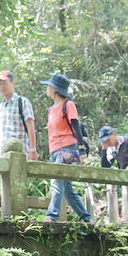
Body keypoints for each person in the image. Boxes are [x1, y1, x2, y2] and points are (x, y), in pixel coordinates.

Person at [40, 74, 91, 223]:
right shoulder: (51, 109)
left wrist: (81, 149)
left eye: (48, 86)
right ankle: (86, 218)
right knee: (66, 187)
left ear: (55, 89)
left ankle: (52, 216)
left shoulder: (68, 105)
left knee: (56, 181)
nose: (47, 88)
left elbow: (75, 126)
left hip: (69, 148)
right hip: (55, 150)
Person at [0, 70, 39, 161]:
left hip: (20, 154)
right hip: (2, 156)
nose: (2, 87)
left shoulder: (22, 102)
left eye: (4, 83)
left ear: (13, 83)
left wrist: (32, 150)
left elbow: (30, 126)